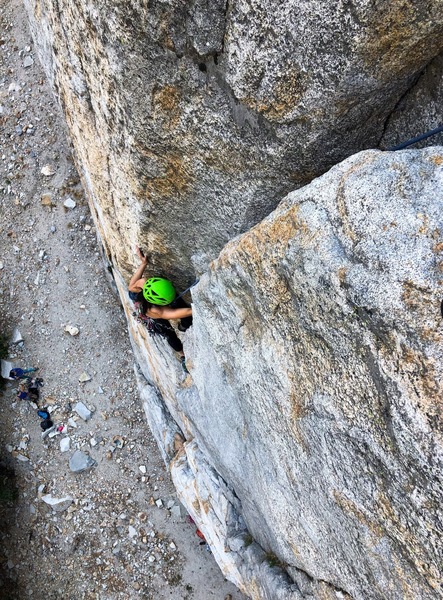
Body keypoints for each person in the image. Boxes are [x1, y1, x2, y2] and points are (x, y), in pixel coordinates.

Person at [128, 246, 192, 371]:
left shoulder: (143, 283)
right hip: (150, 315)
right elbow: (183, 312)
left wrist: (144, 263)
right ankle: (183, 355)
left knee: (182, 310)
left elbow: (131, 285)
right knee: (169, 334)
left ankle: (184, 327)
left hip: (142, 298)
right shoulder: (155, 311)